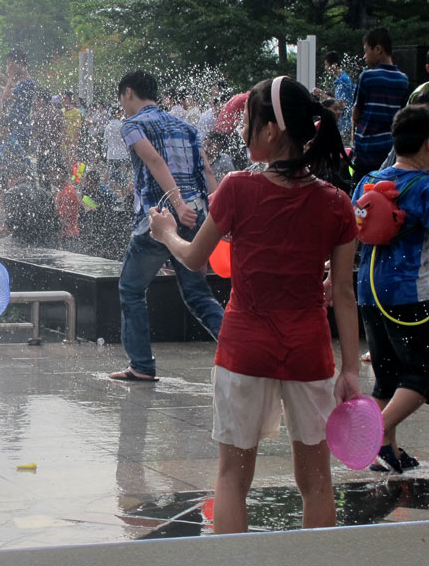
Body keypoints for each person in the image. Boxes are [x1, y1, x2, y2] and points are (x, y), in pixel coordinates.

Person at [148, 75, 360, 533]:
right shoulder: (337, 204)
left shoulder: (236, 189)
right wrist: (351, 370)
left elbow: (193, 258)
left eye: (248, 121)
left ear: (268, 132)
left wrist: (165, 232)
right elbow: (342, 291)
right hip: (309, 350)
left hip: (244, 347)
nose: (242, 131)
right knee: (318, 482)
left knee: (231, 479)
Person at [108, 69, 223, 382]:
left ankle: (142, 365)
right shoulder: (185, 125)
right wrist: (215, 215)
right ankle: (241, 351)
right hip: (197, 215)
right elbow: (208, 171)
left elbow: (155, 161)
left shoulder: (132, 125)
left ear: (128, 92)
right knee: (198, 294)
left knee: (131, 289)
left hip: (158, 219)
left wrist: (177, 203)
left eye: (122, 98)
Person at [353, 104, 429, 473]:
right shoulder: (426, 187)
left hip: (368, 292)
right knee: (424, 373)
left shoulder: (368, 180)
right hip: (410, 294)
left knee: (388, 373)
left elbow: (351, 233)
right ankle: (376, 432)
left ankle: (387, 452)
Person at [352, 27, 409, 177]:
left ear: (378, 49)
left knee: (361, 196)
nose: (364, 56)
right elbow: (402, 116)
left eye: (366, 50)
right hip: (389, 153)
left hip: (366, 153)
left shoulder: (367, 77)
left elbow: (356, 112)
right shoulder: (403, 80)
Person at [2, 49, 36, 149]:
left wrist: (10, 77)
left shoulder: (27, 83)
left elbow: (5, 98)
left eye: (9, 64)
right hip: (16, 126)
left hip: (20, 128)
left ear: (20, 64)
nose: (8, 67)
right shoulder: (23, 82)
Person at [324, 51, 354, 141]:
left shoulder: (343, 80)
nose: (326, 68)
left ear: (333, 64)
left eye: (326, 64)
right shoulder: (341, 79)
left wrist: (322, 94)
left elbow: (341, 103)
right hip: (344, 122)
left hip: (345, 123)